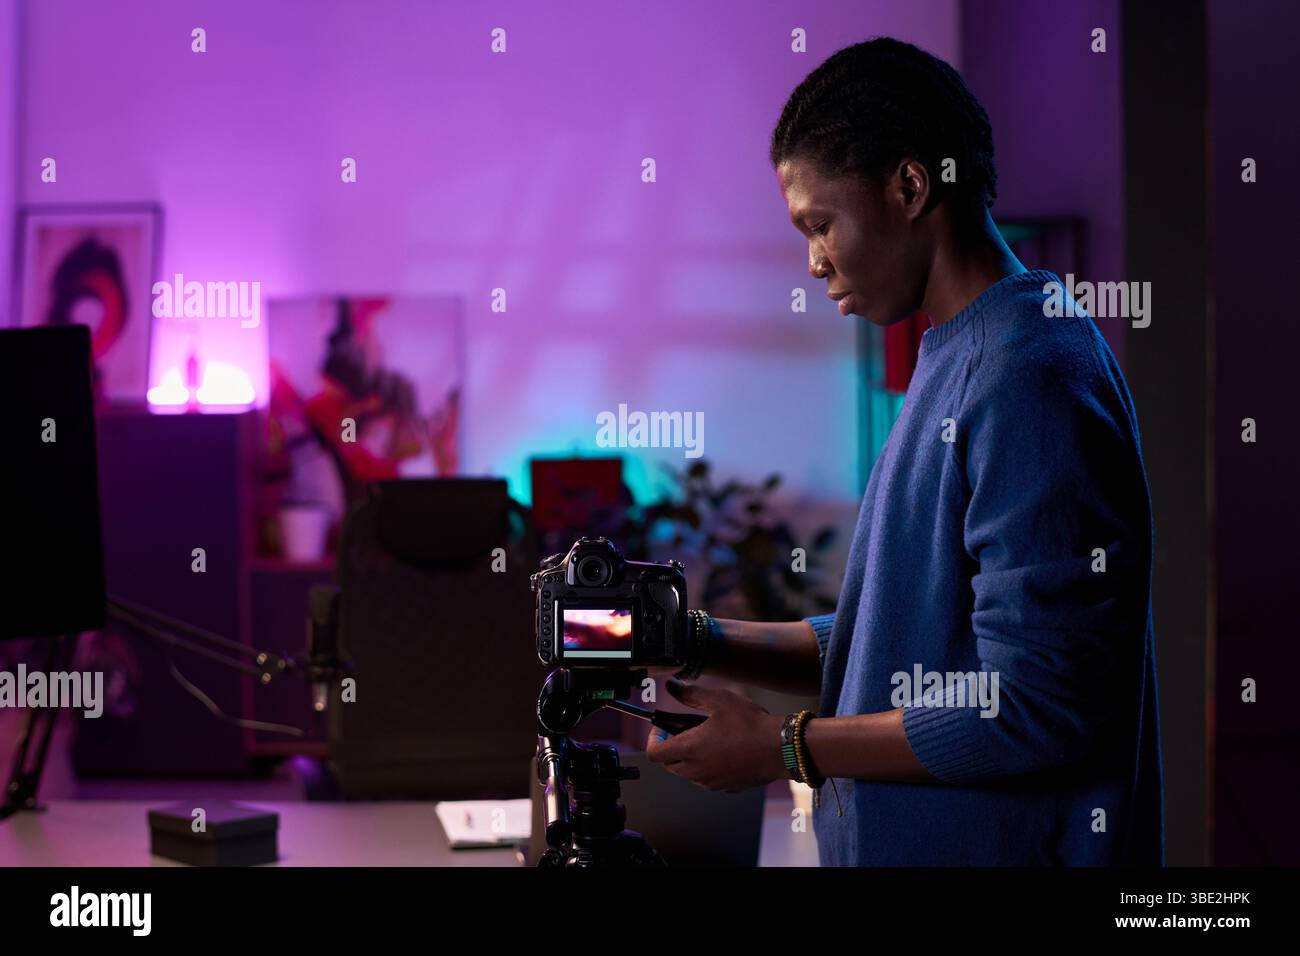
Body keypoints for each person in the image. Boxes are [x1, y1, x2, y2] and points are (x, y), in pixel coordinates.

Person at [646, 37, 1164, 866]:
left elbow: (1034, 704)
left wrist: (788, 746)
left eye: (821, 224)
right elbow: (891, 643)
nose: (813, 262)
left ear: (911, 186)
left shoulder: (1027, 376)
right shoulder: (958, 353)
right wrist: (694, 636)